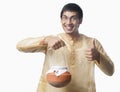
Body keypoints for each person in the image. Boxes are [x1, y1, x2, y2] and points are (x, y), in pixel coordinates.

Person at [16, 3, 114, 92]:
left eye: (73, 18)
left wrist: (98, 56)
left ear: (80, 20)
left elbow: (110, 71)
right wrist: (46, 40)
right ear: (61, 20)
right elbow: (20, 46)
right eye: (65, 18)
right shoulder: (52, 40)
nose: (68, 22)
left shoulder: (92, 43)